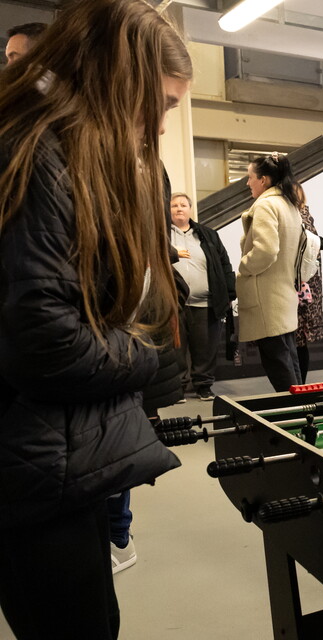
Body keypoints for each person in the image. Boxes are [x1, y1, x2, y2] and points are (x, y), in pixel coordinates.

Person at [0, 1, 189, 637]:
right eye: (160, 102)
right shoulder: (38, 151)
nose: (158, 121)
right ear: (122, 80)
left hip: (54, 451)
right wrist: (143, 356)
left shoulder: (65, 147)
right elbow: (47, 341)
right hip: (30, 458)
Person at [237, 153, 304, 392]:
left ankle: (295, 412)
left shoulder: (266, 205)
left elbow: (266, 250)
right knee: (288, 358)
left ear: (263, 180)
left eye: (250, 177)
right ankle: (303, 408)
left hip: (266, 295)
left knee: (277, 362)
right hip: (283, 292)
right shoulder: (289, 204)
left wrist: (244, 266)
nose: (248, 183)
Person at [170, 192, 236, 400]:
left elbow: (224, 264)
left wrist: (229, 292)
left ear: (190, 209)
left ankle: (203, 386)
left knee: (206, 348)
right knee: (176, 349)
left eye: (183, 205)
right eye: (174, 205)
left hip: (205, 303)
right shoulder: (161, 235)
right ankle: (177, 388)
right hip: (173, 304)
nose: (179, 208)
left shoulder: (208, 235)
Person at [293, 183, 323, 383]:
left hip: (303, 285)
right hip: (297, 284)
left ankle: (299, 384)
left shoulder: (303, 215)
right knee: (295, 341)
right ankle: (297, 383)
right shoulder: (297, 215)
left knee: (299, 340)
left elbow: (311, 244)